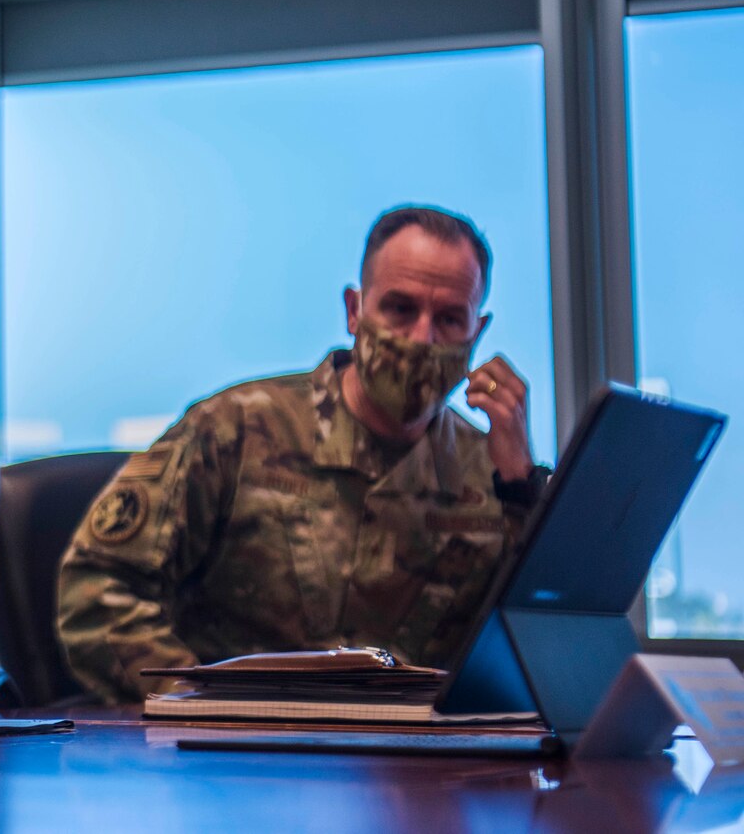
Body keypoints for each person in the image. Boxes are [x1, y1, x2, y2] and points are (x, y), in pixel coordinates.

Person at [57, 205, 550, 704]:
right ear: (355, 312)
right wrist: (192, 700)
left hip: (413, 768)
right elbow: (97, 587)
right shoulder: (237, 429)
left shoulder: (491, 471)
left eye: (448, 319)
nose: (422, 339)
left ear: (478, 331)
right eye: (400, 309)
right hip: (233, 759)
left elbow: (539, 648)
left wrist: (520, 488)